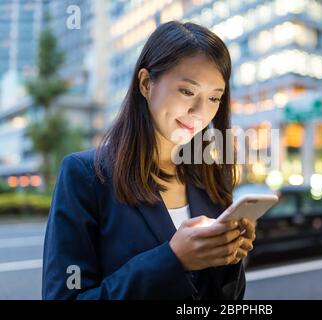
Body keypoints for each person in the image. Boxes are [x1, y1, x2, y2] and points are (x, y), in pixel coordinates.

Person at [42, 21, 256, 300]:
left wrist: (229, 256)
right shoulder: (85, 176)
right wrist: (172, 260)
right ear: (145, 83)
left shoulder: (211, 180)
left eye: (214, 97)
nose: (200, 112)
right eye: (188, 92)